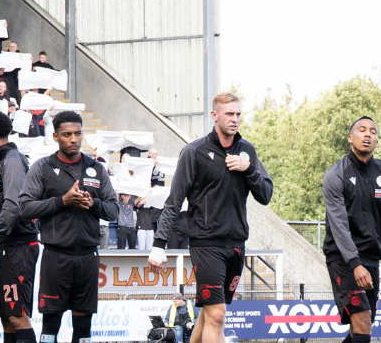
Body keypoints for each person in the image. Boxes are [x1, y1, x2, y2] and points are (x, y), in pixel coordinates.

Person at [149, 93, 274, 343]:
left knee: (208, 314)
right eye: (229, 114)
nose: (235, 119)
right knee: (217, 315)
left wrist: (248, 169)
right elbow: (174, 201)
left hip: (237, 245)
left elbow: (266, 194)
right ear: (214, 116)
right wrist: (158, 244)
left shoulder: (247, 151)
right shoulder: (194, 151)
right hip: (206, 244)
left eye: (238, 114)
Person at [17, 111, 118, 343]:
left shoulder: (97, 169)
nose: (74, 139)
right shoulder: (42, 168)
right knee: (50, 330)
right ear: (55, 137)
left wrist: (93, 203)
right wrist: (62, 201)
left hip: (88, 258)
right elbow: (24, 209)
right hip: (56, 257)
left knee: (83, 331)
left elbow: (113, 210)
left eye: (78, 133)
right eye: (67, 134)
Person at [0, 111, 38, 343]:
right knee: (7, 316)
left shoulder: (12, 161)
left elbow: (13, 204)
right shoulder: (4, 160)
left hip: (17, 246)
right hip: (9, 245)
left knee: (17, 315)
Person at [321, 116, 380, 343]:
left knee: (361, 328)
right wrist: (355, 264)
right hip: (343, 258)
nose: (368, 135)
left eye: (373, 132)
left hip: (371, 258)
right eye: (362, 130)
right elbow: (339, 225)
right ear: (350, 138)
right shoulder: (336, 175)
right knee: (363, 319)